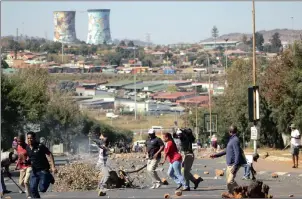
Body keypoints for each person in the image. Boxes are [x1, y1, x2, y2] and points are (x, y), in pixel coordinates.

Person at [210, 125, 246, 194]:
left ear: (229, 132)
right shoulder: (232, 140)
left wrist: (235, 166)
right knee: (229, 183)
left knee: (230, 181)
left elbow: (237, 153)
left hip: (233, 164)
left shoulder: (235, 140)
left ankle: (241, 193)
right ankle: (237, 193)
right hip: (229, 164)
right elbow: (226, 150)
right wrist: (216, 155)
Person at [26, 131, 57, 198]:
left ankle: (49, 177)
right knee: (32, 189)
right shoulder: (27, 147)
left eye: (31, 138)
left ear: (34, 138)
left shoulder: (40, 146)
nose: (29, 140)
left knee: (42, 189)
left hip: (43, 170)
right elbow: (30, 158)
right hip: (34, 171)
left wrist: (53, 167)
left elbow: (49, 154)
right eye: (28, 138)